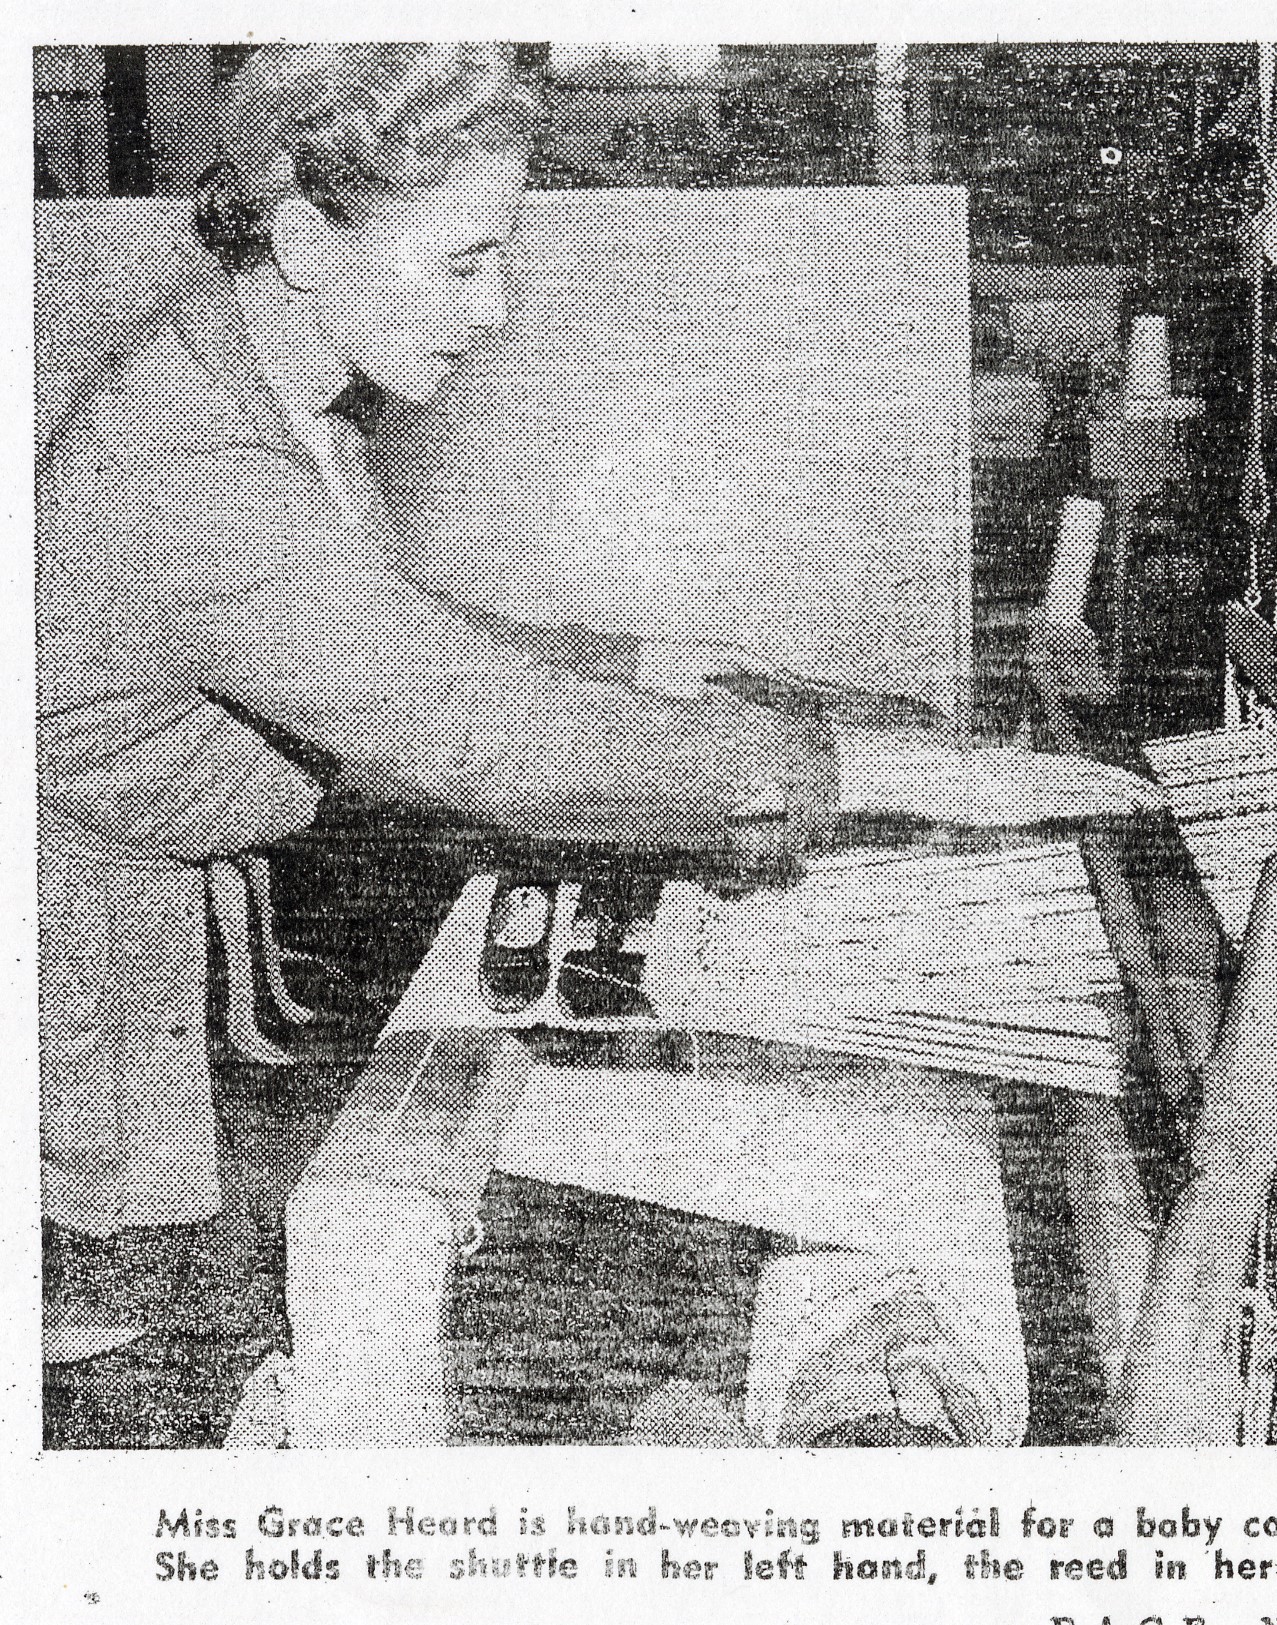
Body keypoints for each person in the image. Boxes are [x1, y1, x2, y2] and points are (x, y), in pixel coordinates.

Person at [37, 43, 1160, 1352]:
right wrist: (879, 773)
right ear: (300, 237)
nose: (495, 304)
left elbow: (400, 641)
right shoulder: (204, 467)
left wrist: (660, 667)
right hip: (73, 960)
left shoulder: (276, 388)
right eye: (463, 260)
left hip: (150, 919)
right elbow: (474, 729)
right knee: (114, 1366)